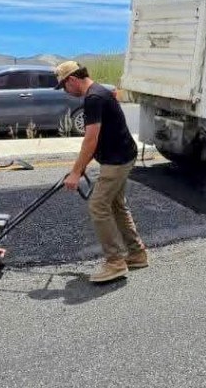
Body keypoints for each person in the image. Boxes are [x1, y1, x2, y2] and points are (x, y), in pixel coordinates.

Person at [56, 60, 147, 283]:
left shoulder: (94, 98)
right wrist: (78, 167)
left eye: (64, 86)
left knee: (98, 205)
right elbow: (94, 141)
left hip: (117, 160)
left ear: (72, 80)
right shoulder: (99, 92)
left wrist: (76, 173)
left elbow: (90, 139)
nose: (66, 92)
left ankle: (115, 262)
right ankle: (137, 253)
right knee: (116, 204)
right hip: (122, 155)